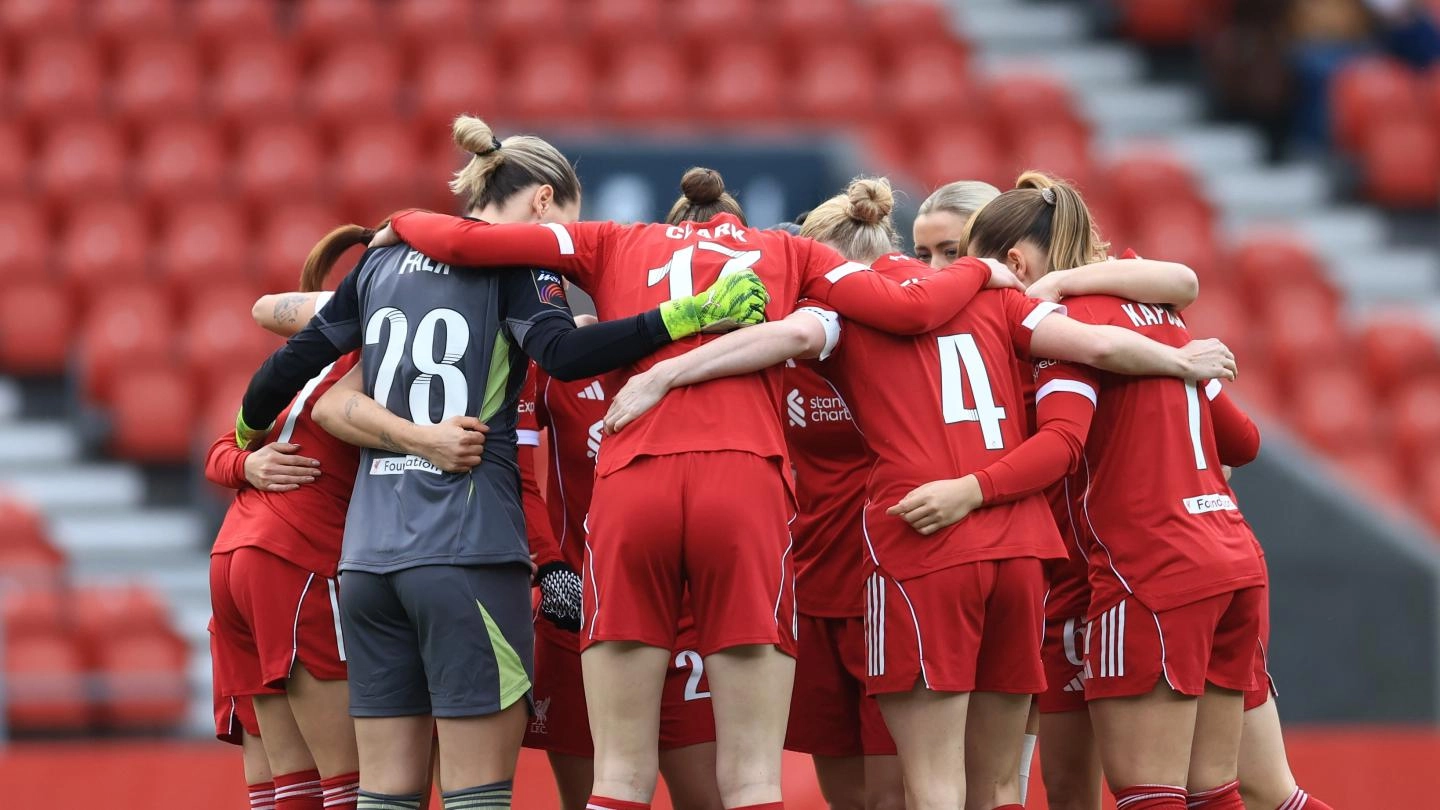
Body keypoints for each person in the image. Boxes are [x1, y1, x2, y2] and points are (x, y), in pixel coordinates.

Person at [369, 166, 1026, 810]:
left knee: (618, 775)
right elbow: (911, 308)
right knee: (750, 780)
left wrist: (401, 219)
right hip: (742, 482)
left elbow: (467, 241)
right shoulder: (790, 250)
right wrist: (976, 269)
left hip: (635, 478)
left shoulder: (613, 239)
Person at [598, 176, 1237, 810]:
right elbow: (1107, 347)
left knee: (929, 789)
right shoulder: (996, 297)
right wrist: (1180, 360)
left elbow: (788, 336)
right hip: (1019, 550)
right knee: (997, 787)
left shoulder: (843, 309)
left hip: (921, 546)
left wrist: (664, 374)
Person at [233, 119, 767, 810]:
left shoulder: (381, 261)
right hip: (467, 553)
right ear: (543, 201)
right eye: (565, 226)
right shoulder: (520, 264)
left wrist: (247, 430)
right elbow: (563, 355)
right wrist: (683, 316)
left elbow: (287, 368)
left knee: (385, 795)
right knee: (475, 793)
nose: (565, 250)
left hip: (367, 562)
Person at [937, 177, 1269, 810]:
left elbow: (1061, 444)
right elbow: (1243, 441)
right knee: (1217, 792)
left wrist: (969, 491)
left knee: (1149, 794)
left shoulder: (1064, 330)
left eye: (962, 261)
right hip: (1230, 556)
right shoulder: (1158, 315)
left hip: (1146, 570)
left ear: (1015, 265)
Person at [205, 265, 361, 810]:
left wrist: (244, 465)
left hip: (232, 559)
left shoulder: (305, 371)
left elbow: (219, 449)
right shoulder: (386, 358)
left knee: (287, 786)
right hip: (294, 555)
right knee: (349, 782)